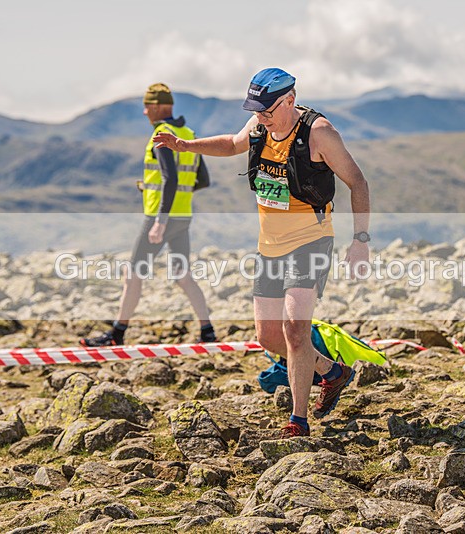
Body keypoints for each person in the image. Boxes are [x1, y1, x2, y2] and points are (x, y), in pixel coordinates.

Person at [153, 68, 371, 438]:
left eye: (267, 110)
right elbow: (231, 144)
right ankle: (333, 372)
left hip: (311, 242)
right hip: (269, 247)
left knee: (295, 331)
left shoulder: (319, 134)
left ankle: (298, 420)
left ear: (289, 99)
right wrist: (185, 146)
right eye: (256, 110)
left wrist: (360, 240)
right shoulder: (258, 126)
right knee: (269, 337)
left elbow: (357, 181)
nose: (260, 117)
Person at [81, 83, 216, 347]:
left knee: (133, 274)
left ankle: (117, 334)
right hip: (183, 215)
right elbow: (203, 180)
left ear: (156, 107)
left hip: (160, 218)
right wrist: (174, 195)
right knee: (182, 274)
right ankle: (207, 331)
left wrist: (160, 220)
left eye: (147, 107)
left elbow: (170, 178)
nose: (144, 112)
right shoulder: (187, 133)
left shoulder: (162, 135)